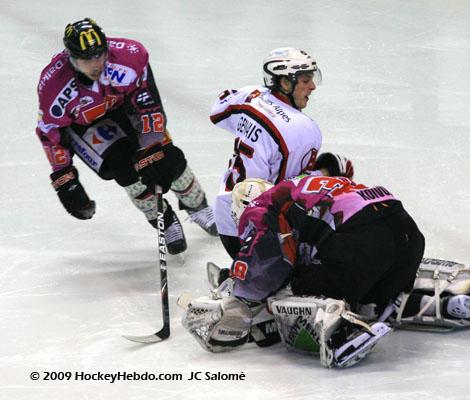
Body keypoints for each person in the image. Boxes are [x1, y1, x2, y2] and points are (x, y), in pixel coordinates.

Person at [182, 175, 427, 367]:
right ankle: (414, 301)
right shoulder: (300, 191)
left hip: (361, 241)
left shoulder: (259, 205)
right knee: (361, 287)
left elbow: (264, 273)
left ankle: (342, 334)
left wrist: (232, 289)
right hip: (408, 237)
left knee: (295, 289)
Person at [35, 18, 217, 255]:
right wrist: (65, 180)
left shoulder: (131, 56)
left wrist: (151, 149)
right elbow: (49, 131)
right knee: (126, 170)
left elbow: (147, 103)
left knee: (169, 159)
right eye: (86, 59)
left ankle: (198, 205)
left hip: (124, 107)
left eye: (100, 55)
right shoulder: (53, 86)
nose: (95, 64)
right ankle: (163, 219)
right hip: (84, 124)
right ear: (71, 57)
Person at [208, 47, 354, 259]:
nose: (313, 87)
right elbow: (293, 191)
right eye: (305, 81)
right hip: (255, 232)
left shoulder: (250, 95)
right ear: (285, 82)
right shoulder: (304, 130)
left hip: (225, 217)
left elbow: (217, 112)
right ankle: (255, 278)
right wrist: (327, 173)